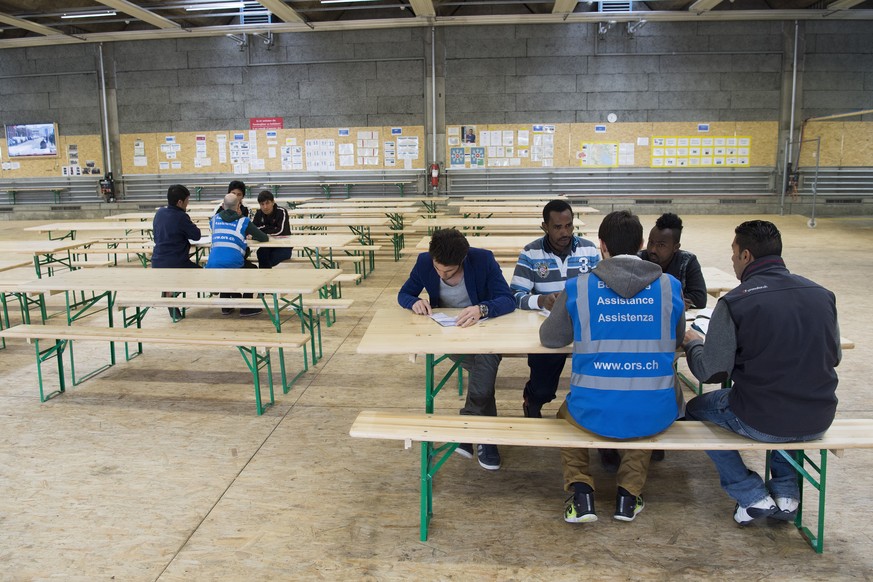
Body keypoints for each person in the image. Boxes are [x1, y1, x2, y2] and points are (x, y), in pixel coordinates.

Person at [681, 220, 840, 525]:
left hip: (762, 419)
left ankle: (750, 494)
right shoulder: (822, 294)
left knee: (695, 410)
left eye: (733, 252)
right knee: (784, 399)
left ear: (746, 256)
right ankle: (786, 493)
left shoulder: (736, 301)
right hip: (820, 415)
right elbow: (834, 356)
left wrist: (693, 343)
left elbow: (709, 372)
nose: (732, 259)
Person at [540, 210, 685, 524]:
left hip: (591, 410)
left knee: (565, 417)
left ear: (601, 245)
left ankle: (581, 493)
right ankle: (628, 496)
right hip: (653, 409)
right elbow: (675, 340)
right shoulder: (669, 286)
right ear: (642, 244)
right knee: (643, 413)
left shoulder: (579, 287)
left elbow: (551, 339)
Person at [398, 228, 515, 470]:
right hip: (450, 334)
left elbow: (507, 299)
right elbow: (404, 293)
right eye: (437, 268)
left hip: (485, 333)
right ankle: (485, 438)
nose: (441, 274)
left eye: (448, 271)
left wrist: (482, 309)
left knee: (484, 368)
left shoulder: (482, 259)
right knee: (484, 376)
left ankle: (470, 424)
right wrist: (415, 302)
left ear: (462, 259)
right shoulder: (424, 262)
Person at [510, 199, 600, 419]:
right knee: (543, 388)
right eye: (558, 227)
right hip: (549, 327)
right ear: (545, 227)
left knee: (597, 377)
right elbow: (514, 296)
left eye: (568, 225)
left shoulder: (588, 250)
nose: (565, 232)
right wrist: (541, 301)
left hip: (586, 326)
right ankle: (533, 398)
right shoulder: (531, 254)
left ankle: (593, 414)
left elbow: (601, 288)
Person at [206, 193, 269, 317]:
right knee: (252, 270)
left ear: (223, 206)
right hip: (234, 264)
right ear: (238, 205)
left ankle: (226, 306)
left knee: (224, 268)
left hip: (212, 265)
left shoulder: (214, 219)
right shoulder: (243, 221)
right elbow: (263, 237)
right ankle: (247, 307)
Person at [151, 184, 202, 320]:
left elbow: (156, 235)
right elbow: (196, 235)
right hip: (176, 263)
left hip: (157, 261)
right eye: (187, 201)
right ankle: (171, 294)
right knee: (204, 275)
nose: (187, 205)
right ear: (180, 202)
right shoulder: (181, 216)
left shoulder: (160, 213)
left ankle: (169, 292)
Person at [640, 212, 707, 309]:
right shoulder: (639, 260)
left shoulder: (688, 261)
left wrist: (654, 299)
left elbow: (700, 299)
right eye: (651, 242)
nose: (653, 249)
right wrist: (674, 301)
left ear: (676, 247)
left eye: (661, 245)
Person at [252, 190, 292, 269]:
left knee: (267, 260)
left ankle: (265, 277)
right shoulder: (259, 213)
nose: (265, 207)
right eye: (262, 204)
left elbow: (281, 231)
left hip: (284, 246)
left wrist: (263, 230)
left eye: (267, 203)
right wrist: (271, 228)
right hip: (267, 245)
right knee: (260, 252)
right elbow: (254, 229)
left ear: (273, 202)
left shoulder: (282, 212)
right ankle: (266, 278)